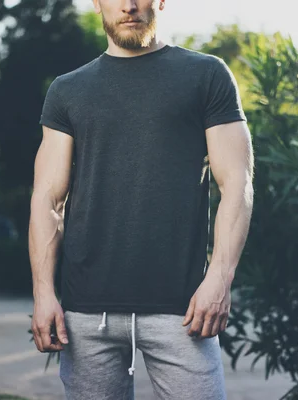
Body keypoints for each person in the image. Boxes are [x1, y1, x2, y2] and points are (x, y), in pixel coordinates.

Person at [29, 0, 254, 398]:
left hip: (184, 311)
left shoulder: (206, 75)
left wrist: (219, 277)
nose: (130, 5)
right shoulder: (67, 90)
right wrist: (43, 292)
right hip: (86, 314)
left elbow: (237, 181)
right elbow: (48, 198)